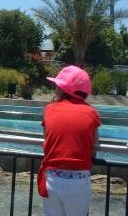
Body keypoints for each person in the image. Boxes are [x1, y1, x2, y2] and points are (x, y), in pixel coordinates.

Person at [37, 65, 101, 216]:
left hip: (52, 178)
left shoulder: (49, 109)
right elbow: (94, 150)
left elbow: (48, 141)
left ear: (63, 89)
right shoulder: (92, 113)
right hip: (78, 182)